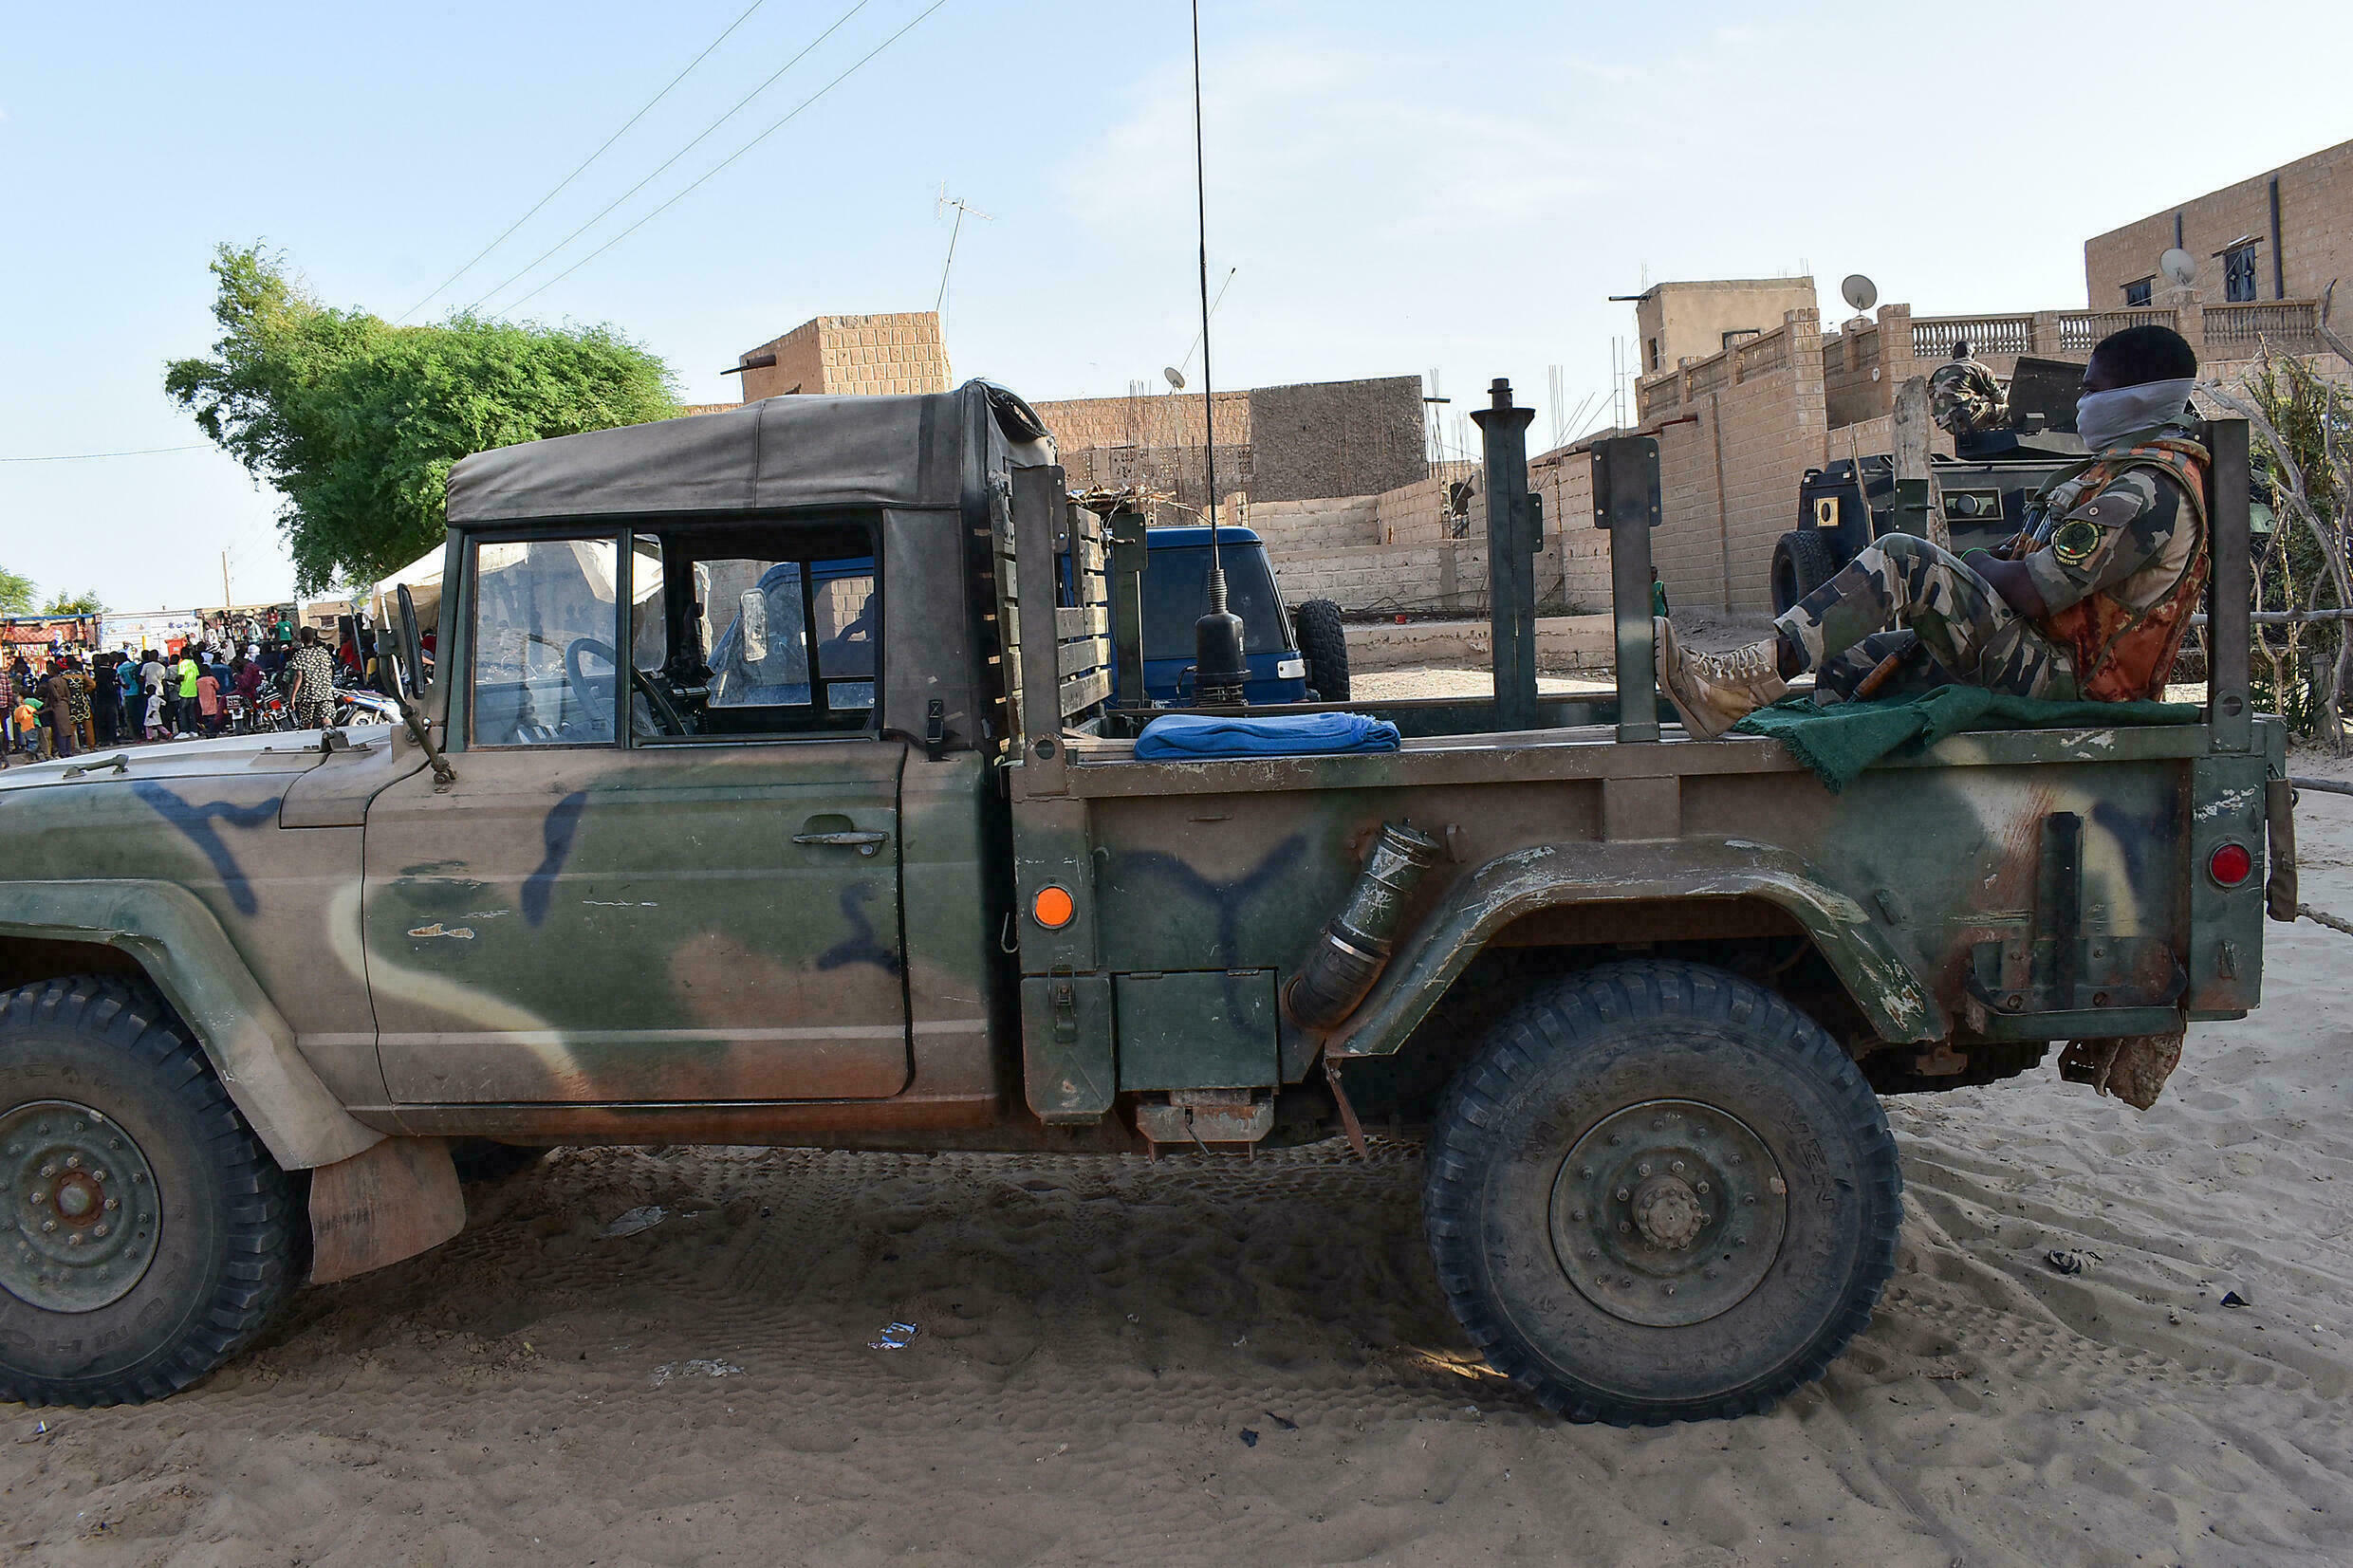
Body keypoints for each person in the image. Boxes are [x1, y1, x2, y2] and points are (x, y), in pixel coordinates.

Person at [1656, 323, 2208, 737]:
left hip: (2078, 684)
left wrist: (1976, 569)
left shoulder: (2149, 489)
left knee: (1905, 559)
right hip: (2039, 657)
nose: (2083, 403)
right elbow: (2017, 557)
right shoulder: (2111, 474)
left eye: (2094, 389)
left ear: (2140, 393)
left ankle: (1735, 686)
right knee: (1852, 659)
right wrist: (1989, 567)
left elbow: (2032, 591)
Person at [286, 625, 339, 729]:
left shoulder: (300, 655)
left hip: (308, 695)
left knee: (308, 723)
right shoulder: (323, 652)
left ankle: (310, 743)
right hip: (325, 693)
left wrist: (292, 698)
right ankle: (332, 739)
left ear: (302, 640)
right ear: (314, 638)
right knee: (327, 720)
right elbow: (330, 671)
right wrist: (327, 685)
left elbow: (299, 676)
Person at [36, 660, 79, 759]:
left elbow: (55, 695)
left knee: (60, 729)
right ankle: (68, 750)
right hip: (65, 705)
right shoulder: (63, 680)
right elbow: (68, 694)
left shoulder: (51, 681)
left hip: (57, 706)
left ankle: (63, 751)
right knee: (67, 728)